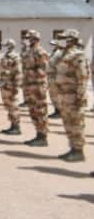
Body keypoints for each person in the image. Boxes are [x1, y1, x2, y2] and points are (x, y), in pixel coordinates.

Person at [55, 29, 89, 162]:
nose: (62, 40)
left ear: (71, 40)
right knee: (67, 123)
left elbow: (83, 77)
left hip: (74, 96)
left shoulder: (77, 55)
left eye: (65, 38)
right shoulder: (63, 54)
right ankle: (73, 149)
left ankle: (79, 151)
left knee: (76, 123)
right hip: (64, 95)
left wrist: (80, 96)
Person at [22, 30, 49, 147]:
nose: (28, 40)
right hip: (29, 85)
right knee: (33, 111)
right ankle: (38, 135)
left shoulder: (40, 52)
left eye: (29, 38)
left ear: (35, 39)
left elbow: (44, 70)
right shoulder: (29, 51)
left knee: (40, 111)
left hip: (38, 86)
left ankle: (43, 137)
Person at [0, 39, 23, 135]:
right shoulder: (6, 55)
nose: (5, 47)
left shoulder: (15, 57)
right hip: (5, 84)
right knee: (8, 105)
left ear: (11, 45)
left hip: (11, 85)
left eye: (7, 45)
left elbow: (18, 72)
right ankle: (12, 125)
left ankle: (17, 127)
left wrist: (16, 86)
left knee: (13, 105)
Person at [47, 40, 64, 119]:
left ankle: (59, 111)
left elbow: (60, 66)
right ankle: (56, 110)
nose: (52, 46)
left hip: (55, 76)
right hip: (50, 76)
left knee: (56, 95)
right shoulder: (53, 53)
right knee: (52, 95)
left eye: (54, 44)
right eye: (52, 45)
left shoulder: (59, 53)